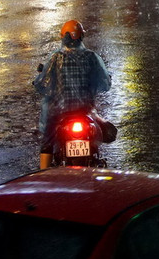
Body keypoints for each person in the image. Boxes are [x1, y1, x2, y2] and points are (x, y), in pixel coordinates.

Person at [33, 20, 112, 170]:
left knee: (47, 140)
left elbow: (43, 82)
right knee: (99, 130)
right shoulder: (92, 57)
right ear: (81, 36)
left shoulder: (56, 58)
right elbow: (104, 82)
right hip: (85, 110)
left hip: (60, 111)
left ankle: (43, 175)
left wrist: (39, 83)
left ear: (62, 36)